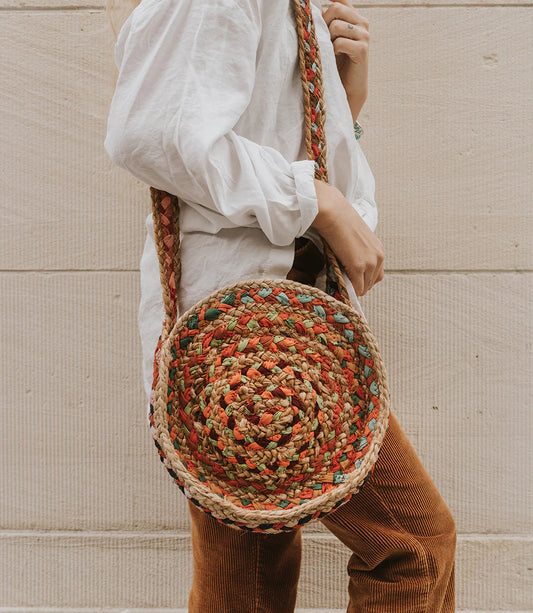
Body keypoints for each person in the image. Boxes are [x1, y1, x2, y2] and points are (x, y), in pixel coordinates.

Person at [104, 0, 457, 611]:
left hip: (264, 323)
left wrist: (342, 100)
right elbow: (150, 131)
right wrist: (319, 201)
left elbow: (241, 132)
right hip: (240, 330)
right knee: (409, 545)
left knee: (250, 579)